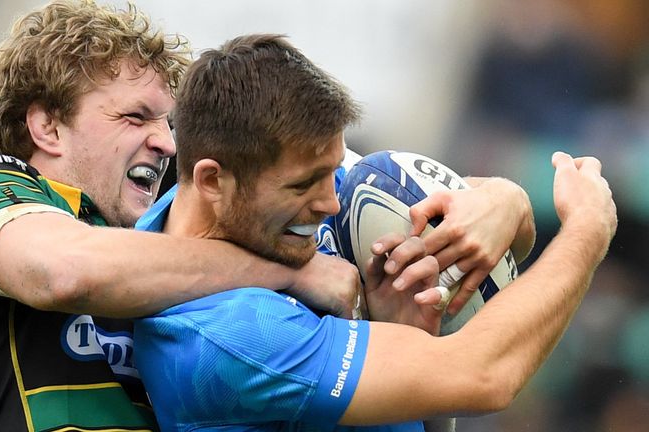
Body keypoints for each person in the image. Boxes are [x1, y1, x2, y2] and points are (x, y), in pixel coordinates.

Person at [0, 1, 533, 431]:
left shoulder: (171, 231)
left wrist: (506, 200)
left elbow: (392, 189)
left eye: (167, 122)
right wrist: (291, 276)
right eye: (134, 117)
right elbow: (65, 272)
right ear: (45, 125)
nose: (163, 141)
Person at [130, 34, 617, 431]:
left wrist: (504, 201)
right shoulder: (227, 338)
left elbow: (487, 225)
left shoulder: (255, 204)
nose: (332, 201)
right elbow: (483, 377)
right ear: (213, 180)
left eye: (333, 168)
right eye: (305, 185)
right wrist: (586, 232)